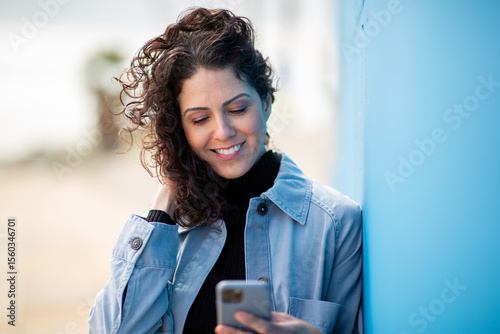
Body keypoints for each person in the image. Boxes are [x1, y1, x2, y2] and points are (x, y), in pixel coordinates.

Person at [88, 7, 362, 334]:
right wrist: (162, 210)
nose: (223, 131)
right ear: (181, 128)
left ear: (266, 102)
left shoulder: (336, 223)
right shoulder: (168, 229)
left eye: (238, 108)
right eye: (200, 119)